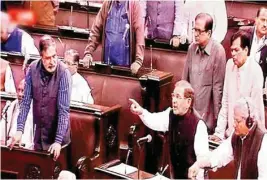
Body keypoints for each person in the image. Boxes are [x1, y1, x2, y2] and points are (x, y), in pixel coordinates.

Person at [129, 80, 209, 179]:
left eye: (178, 97)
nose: (174, 100)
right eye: (173, 96)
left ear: (188, 102)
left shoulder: (199, 125)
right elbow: (154, 120)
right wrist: (141, 111)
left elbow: (202, 161)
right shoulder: (170, 115)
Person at [9, 35, 72, 161]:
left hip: (59, 141)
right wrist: (19, 130)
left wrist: (58, 141)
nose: (52, 61)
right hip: (40, 137)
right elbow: (25, 103)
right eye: (48, 58)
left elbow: (63, 111)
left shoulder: (64, 73)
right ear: (41, 57)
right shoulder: (32, 69)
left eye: (54, 56)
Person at [188, 97, 267, 180]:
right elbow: (218, 155)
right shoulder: (236, 137)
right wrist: (198, 164)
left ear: (249, 121)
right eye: (234, 120)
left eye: (238, 121)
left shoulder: (263, 142)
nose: (234, 124)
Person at [210, 30, 265, 142]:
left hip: (248, 135)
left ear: (246, 50)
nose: (233, 54)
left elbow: (256, 110)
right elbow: (225, 102)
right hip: (230, 133)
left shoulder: (256, 71)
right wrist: (219, 132)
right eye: (231, 50)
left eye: (236, 50)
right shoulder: (230, 65)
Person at [182, 13, 226, 133]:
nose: (195, 34)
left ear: (209, 33)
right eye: (194, 30)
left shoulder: (218, 51)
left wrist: (218, 120)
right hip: (190, 113)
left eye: (200, 31)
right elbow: (184, 81)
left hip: (207, 117)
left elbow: (218, 89)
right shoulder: (191, 48)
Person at [81, 0, 145, 74]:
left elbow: (140, 34)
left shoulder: (134, 4)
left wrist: (138, 61)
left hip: (126, 64)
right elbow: (96, 29)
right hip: (107, 62)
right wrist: (88, 53)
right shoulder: (107, 3)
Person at [0, 79, 34, 149]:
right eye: (18, 90)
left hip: (27, 148)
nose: (19, 94)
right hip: (10, 146)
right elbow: (2, 129)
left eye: (23, 91)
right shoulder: (11, 106)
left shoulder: (35, 109)